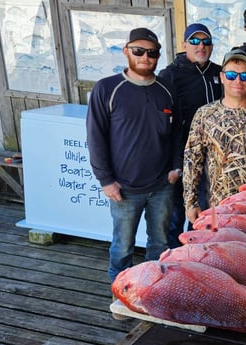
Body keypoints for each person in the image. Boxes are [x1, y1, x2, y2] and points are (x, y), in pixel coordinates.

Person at [86, 27, 180, 284]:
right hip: (124, 189)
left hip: (162, 186)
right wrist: (105, 180)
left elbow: (175, 133)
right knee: (122, 247)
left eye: (152, 52)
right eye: (138, 51)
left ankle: (152, 291)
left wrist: (176, 167)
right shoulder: (107, 89)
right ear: (126, 52)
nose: (145, 57)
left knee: (159, 244)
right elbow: (95, 137)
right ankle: (120, 292)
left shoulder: (166, 89)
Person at [183, 49, 246, 223]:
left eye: (244, 76)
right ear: (222, 77)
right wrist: (190, 202)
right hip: (217, 209)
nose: (238, 80)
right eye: (231, 75)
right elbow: (192, 161)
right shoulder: (205, 114)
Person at [157, 23, 222, 248]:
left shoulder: (219, 73)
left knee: (203, 218)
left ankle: (195, 262)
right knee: (175, 216)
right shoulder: (169, 75)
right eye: (194, 41)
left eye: (206, 41)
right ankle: (172, 267)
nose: (200, 46)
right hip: (180, 158)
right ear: (184, 45)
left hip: (212, 161)